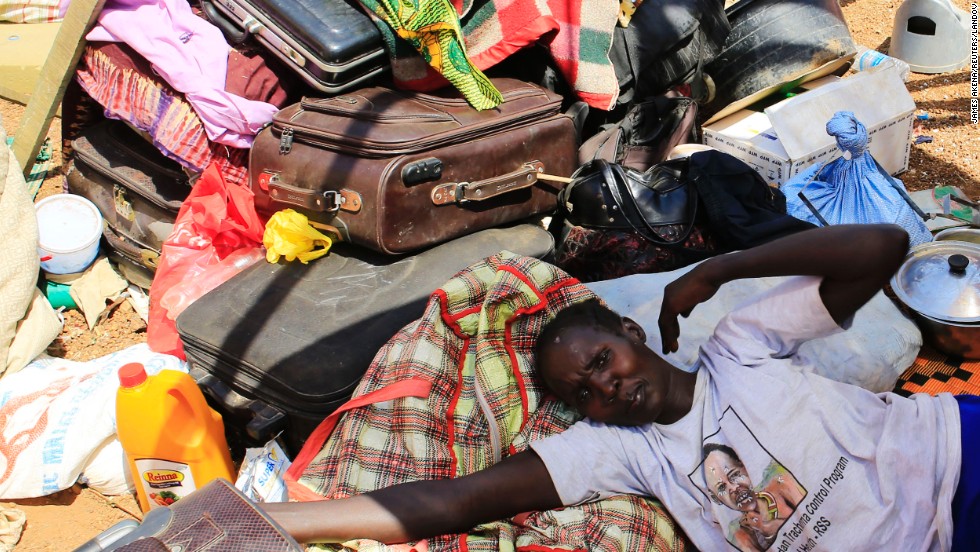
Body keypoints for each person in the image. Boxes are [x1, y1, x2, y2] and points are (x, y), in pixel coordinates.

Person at [264, 224, 978, 551]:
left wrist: (720, 269)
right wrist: (268, 525)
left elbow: (883, 248)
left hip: (955, 462)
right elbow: (450, 500)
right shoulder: (621, 453)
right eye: (584, 393)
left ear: (632, 335)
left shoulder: (741, 351)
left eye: (603, 359)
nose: (605, 388)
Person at [702, 443, 804, 551]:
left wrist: (771, 528)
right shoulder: (737, 533)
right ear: (716, 499)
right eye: (722, 487)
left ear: (744, 467)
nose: (734, 488)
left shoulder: (780, 480)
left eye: (734, 475)